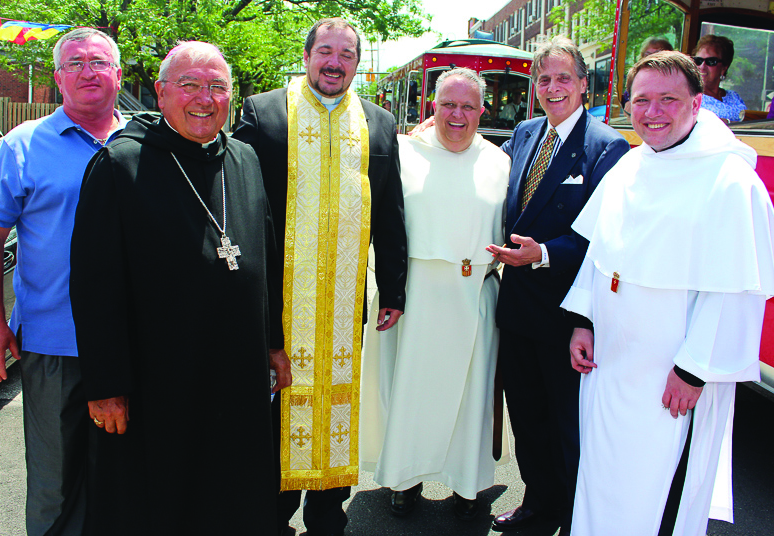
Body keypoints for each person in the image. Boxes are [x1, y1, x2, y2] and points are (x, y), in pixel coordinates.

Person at [68, 41, 284, 535]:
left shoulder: (244, 159)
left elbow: (266, 260)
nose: (204, 99)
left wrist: (273, 345)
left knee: (233, 499)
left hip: (236, 377)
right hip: (158, 386)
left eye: (216, 87)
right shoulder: (120, 166)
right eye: (189, 85)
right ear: (161, 94)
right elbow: (94, 286)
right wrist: (105, 387)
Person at [562, 50, 774, 536]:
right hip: (610, 367)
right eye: (641, 101)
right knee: (603, 477)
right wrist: (585, 320)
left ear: (698, 105)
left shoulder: (729, 181)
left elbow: (735, 292)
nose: (652, 112)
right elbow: (600, 255)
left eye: (668, 100)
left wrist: (693, 370)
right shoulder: (631, 165)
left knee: (659, 494)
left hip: (670, 382)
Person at [233, 18, 407, 536]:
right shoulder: (263, 112)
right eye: (325, 51)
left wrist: (394, 288)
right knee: (276, 403)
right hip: (278, 298)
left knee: (338, 403)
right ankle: (270, 515)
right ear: (306, 55)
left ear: (358, 62)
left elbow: (391, 211)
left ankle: (329, 516)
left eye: (347, 54)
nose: (335, 62)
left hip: (343, 300)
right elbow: (240, 205)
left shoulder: (377, 122)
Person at [0, 27, 125, 536]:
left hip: (131, 342)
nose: (88, 71)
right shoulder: (23, 145)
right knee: (54, 485)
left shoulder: (145, 144)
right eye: (76, 63)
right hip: (54, 344)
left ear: (117, 75)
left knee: (121, 479)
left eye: (99, 62)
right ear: (57, 78)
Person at [484, 36, 629, 536]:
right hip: (518, 308)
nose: (552, 87)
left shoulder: (606, 146)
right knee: (526, 416)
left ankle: (572, 516)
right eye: (543, 79)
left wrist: (543, 254)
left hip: (568, 313)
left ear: (584, 84)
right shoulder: (524, 134)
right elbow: (486, 181)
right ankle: (537, 503)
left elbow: (604, 239)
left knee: (568, 425)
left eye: (563, 77)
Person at [360, 68, 510, 520]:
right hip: (414, 295)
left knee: (470, 395)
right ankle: (405, 479)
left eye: (467, 106)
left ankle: (467, 483)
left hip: (474, 294)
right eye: (448, 104)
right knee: (409, 391)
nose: (457, 115)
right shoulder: (404, 151)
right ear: (432, 106)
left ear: (483, 110)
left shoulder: (501, 160)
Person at [693, 35, 745, 122]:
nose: (702, 66)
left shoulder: (734, 96)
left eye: (711, 61)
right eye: (698, 60)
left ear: (724, 67)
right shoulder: (690, 97)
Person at [623, 36, 673, 113]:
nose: (652, 58)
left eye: (657, 53)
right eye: (648, 54)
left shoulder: (674, 76)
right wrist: (628, 102)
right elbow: (627, 96)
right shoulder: (637, 76)